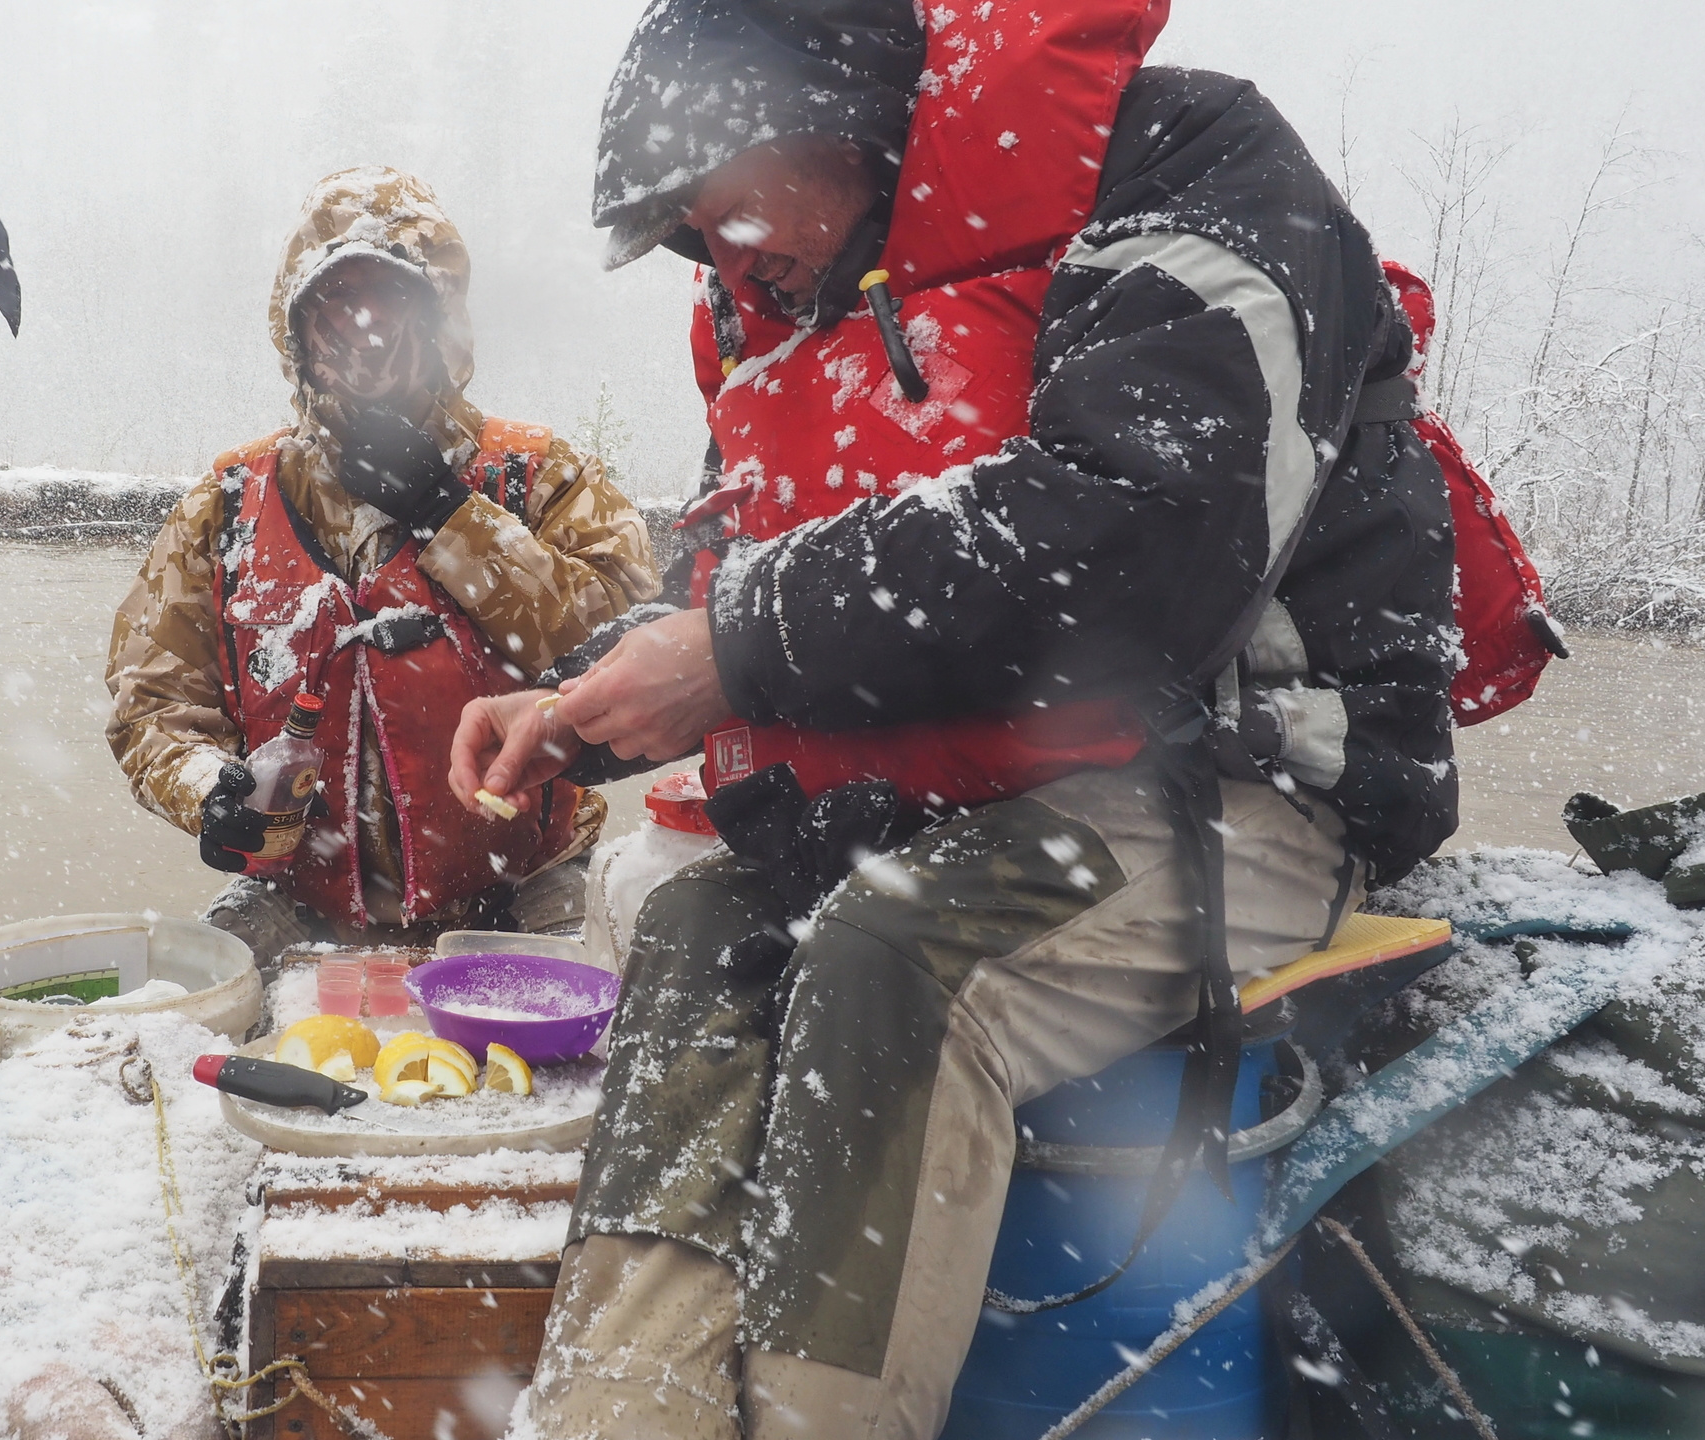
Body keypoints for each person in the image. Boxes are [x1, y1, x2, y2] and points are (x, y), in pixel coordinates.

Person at [453, 2, 1459, 1436]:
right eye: (683, 229)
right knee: (693, 933)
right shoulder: (789, 304)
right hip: (982, 796)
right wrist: (594, 693)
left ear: (833, 98)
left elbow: (1144, 538)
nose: (712, 250)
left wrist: (733, 649)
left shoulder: (1190, 167)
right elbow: (746, 587)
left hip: (1250, 782)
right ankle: (622, 1413)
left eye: (720, 199)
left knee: (897, 957)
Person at [107, 166, 657, 970]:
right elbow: (152, 702)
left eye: (391, 302)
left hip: (527, 887)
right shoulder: (225, 505)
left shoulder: (539, 477)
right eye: (334, 305)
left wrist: (451, 514)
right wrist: (206, 789)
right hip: (293, 898)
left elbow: (626, 651)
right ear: (296, 334)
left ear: (440, 324)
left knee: (595, 1029)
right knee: (189, 1003)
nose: (363, 331)